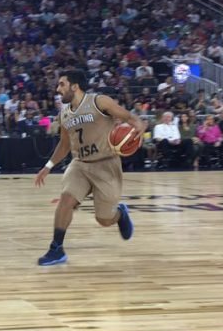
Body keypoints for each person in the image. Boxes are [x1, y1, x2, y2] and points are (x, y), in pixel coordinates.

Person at [33, 70, 145, 267]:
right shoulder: (64, 113)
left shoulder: (99, 102)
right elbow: (64, 144)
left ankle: (119, 214)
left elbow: (128, 116)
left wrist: (138, 126)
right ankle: (56, 249)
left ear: (74, 86)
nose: (58, 89)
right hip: (80, 165)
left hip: (106, 163)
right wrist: (48, 166)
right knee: (66, 200)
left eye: (62, 84)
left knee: (104, 219)